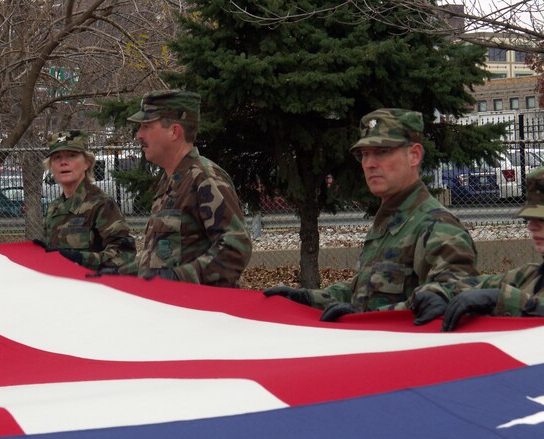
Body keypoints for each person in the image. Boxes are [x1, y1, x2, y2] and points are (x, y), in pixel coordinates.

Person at [264, 108, 478, 324]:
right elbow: (364, 292)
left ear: (414, 155)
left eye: (382, 151)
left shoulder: (438, 226)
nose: (369, 163)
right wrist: (307, 298)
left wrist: (368, 317)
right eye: (364, 154)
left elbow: (449, 298)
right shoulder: (390, 221)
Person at [121, 89, 252, 287]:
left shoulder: (204, 178)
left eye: (146, 126)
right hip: (171, 310)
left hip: (199, 313)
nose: (138, 135)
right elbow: (161, 258)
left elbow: (235, 248)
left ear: (174, 131)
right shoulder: (171, 181)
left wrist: (180, 278)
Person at [441, 166, 544, 330]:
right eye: (529, 219)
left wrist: (501, 299)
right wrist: (438, 292)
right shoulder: (529, 276)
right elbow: (472, 285)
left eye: (541, 220)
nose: (531, 227)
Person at [41, 130, 136, 271]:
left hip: (94, 287)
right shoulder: (53, 208)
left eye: (71, 156)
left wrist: (80, 259)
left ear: (86, 163)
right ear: (51, 167)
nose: (63, 162)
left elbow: (124, 254)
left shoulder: (101, 203)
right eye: (57, 157)